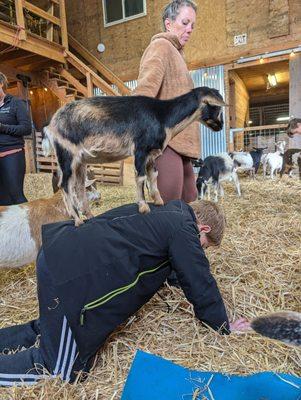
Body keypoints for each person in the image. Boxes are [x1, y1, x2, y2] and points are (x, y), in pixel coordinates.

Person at [0, 199, 248, 386]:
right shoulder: (183, 229)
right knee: (58, 369)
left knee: (49, 328)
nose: (199, 250)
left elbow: (171, 265)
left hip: (59, 252)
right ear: (202, 228)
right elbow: (199, 280)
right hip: (69, 275)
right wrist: (222, 325)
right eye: (203, 246)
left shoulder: (163, 212)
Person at [134, 0, 199, 204]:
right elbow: (144, 92)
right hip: (165, 142)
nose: (189, 29)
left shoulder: (178, 54)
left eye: (192, 26)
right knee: (168, 208)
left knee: (190, 202)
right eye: (185, 22)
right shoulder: (160, 46)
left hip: (181, 143)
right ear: (169, 24)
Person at [0, 72, 32, 205]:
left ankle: (30, 224)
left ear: (1, 84)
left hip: (12, 154)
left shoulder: (16, 103)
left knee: (15, 195)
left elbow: (26, 128)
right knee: (2, 198)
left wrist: (2, 127)